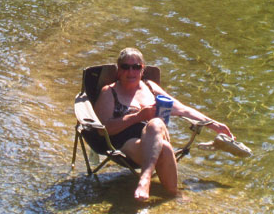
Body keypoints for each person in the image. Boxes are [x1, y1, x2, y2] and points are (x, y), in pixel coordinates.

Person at [93, 47, 234, 202]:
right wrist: (138, 116)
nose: (131, 71)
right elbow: (102, 130)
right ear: (119, 70)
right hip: (128, 144)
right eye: (126, 67)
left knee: (155, 124)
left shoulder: (150, 87)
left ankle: (151, 185)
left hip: (157, 136)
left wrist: (214, 125)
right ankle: (169, 192)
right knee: (164, 145)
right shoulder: (110, 92)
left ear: (142, 69)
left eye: (136, 67)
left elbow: (182, 109)